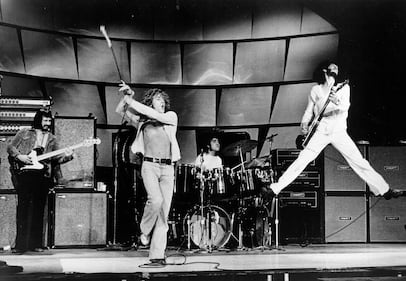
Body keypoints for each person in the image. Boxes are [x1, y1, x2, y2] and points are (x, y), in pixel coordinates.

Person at [269, 61, 403, 200]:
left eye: (337, 67)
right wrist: (304, 123)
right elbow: (309, 110)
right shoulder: (316, 90)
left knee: (358, 161)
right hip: (321, 131)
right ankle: (274, 189)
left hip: (338, 131)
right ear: (324, 70)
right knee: (302, 159)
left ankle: (384, 190)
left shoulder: (343, 87)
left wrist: (336, 100)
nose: (335, 69)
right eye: (332, 67)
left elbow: (345, 107)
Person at [116, 82, 180, 266]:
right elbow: (120, 110)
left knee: (163, 213)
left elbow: (152, 113)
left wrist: (132, 99)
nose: (161, 102)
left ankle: (157, 256)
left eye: (162, 99)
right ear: (150, 102)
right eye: (157, 99)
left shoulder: (170, 117)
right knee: (156, 200)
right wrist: (128, 95)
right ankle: (144, 231)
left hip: (168, 169)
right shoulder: (142, 122)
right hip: (149, 166)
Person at [7, 109, 74, 254]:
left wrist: (69, 156)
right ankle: (20, 245)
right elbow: (10, 147)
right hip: (24, 174)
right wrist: (20, 157)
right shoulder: (24, 132)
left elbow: (57, 159)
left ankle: (36, 244)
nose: (48, 123)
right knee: (23, 209)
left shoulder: (52, 138)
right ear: (38, 120)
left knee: (38, 211)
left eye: (49, 121)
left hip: (43, 177)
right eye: (45, 120)